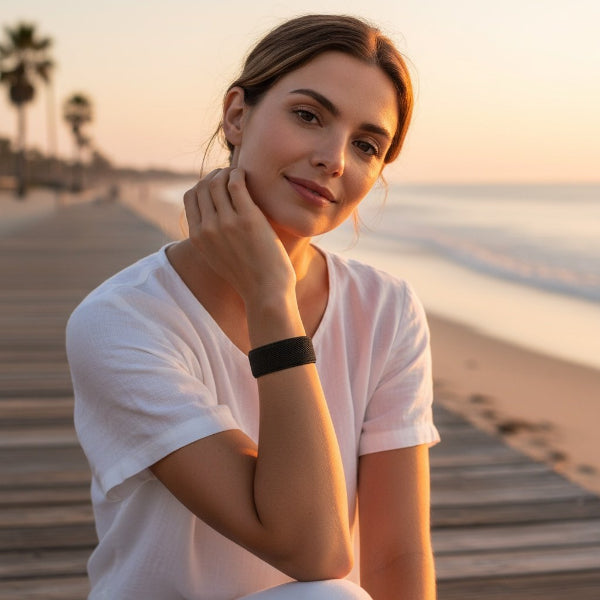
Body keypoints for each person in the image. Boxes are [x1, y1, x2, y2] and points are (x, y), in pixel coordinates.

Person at [66, 14, 440, 600]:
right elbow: (315, 550)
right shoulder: (121, 321)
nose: (334, 159)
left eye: (367, 145)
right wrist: (271, 297)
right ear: (237, 115)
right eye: (308, 115)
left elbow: (397, 556)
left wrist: (272, 293)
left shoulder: (386, 310)